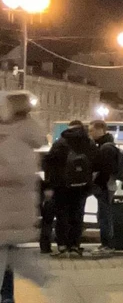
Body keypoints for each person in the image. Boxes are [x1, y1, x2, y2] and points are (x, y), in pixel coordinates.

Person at [0, 91, 49, 291]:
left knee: (7, 252)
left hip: (7, 208)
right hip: (13, 208)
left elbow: (13, 173)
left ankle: (43, 279)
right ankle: (41, 279)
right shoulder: (21, 135)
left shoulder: (14, 137)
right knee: (11, 254)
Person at [42, 119, 96, 257]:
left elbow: (48, 162)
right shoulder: (89, 143)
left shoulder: (61, 142)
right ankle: (75, 245)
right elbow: (96, 163)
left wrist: (50, 183)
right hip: (82, 186)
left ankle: (62, 245)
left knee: (62, 215)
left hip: (62, 186)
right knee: (77, 215)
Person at [89, 120, 120, 255]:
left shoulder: (106, 147)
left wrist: (97, 183)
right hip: (108, 186)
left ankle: (107, 245)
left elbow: (105, 170)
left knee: (104, 216)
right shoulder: (107, 145)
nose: (90, 133)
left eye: (92, 130)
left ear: (100, 129)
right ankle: (107, 244)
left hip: (105, 186)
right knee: (104, 215)